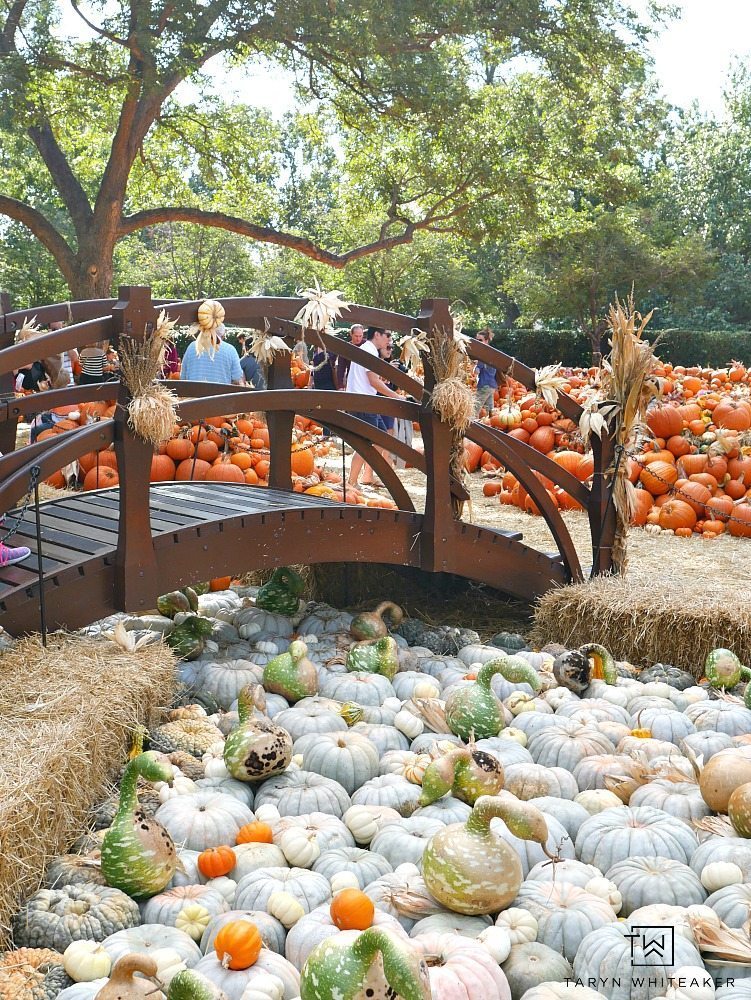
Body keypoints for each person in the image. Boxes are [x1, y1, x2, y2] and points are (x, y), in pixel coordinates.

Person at [346, 327, 402, 488]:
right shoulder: (369, 351)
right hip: (363, 403)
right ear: (377, 334)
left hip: (367, 401)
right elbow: (373, 381)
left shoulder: (368, 350)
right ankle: (351, 482)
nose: (389, 339)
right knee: (366, 444)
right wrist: (396, 396)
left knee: (381, 439)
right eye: (388, 335)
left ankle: (367, 475)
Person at [180, 322, 245, 385]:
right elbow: (237, 378)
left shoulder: (191, 347)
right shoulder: (230, 350)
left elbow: (183, 376)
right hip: (221, 395)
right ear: (222, 335)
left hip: (194, 395)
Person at [473, 328, 497, 418]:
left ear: (486, 341)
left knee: (475, 408)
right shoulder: (491, 353)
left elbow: (476, 371)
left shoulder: (483, 354)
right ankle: (492, 424)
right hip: (492, 385)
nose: (478, 342)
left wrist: (474, 366)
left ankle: (471, 426)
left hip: (484, 384)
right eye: (476, 340)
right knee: (490, 409)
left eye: (480, 340)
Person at [336, 324, 364, 390]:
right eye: (356, 336)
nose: (358, 339)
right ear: (351, 334)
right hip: (352, 379)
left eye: (360, 336)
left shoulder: (367, 346)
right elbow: (341, 368)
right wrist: (340, 385)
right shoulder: (345, 348)